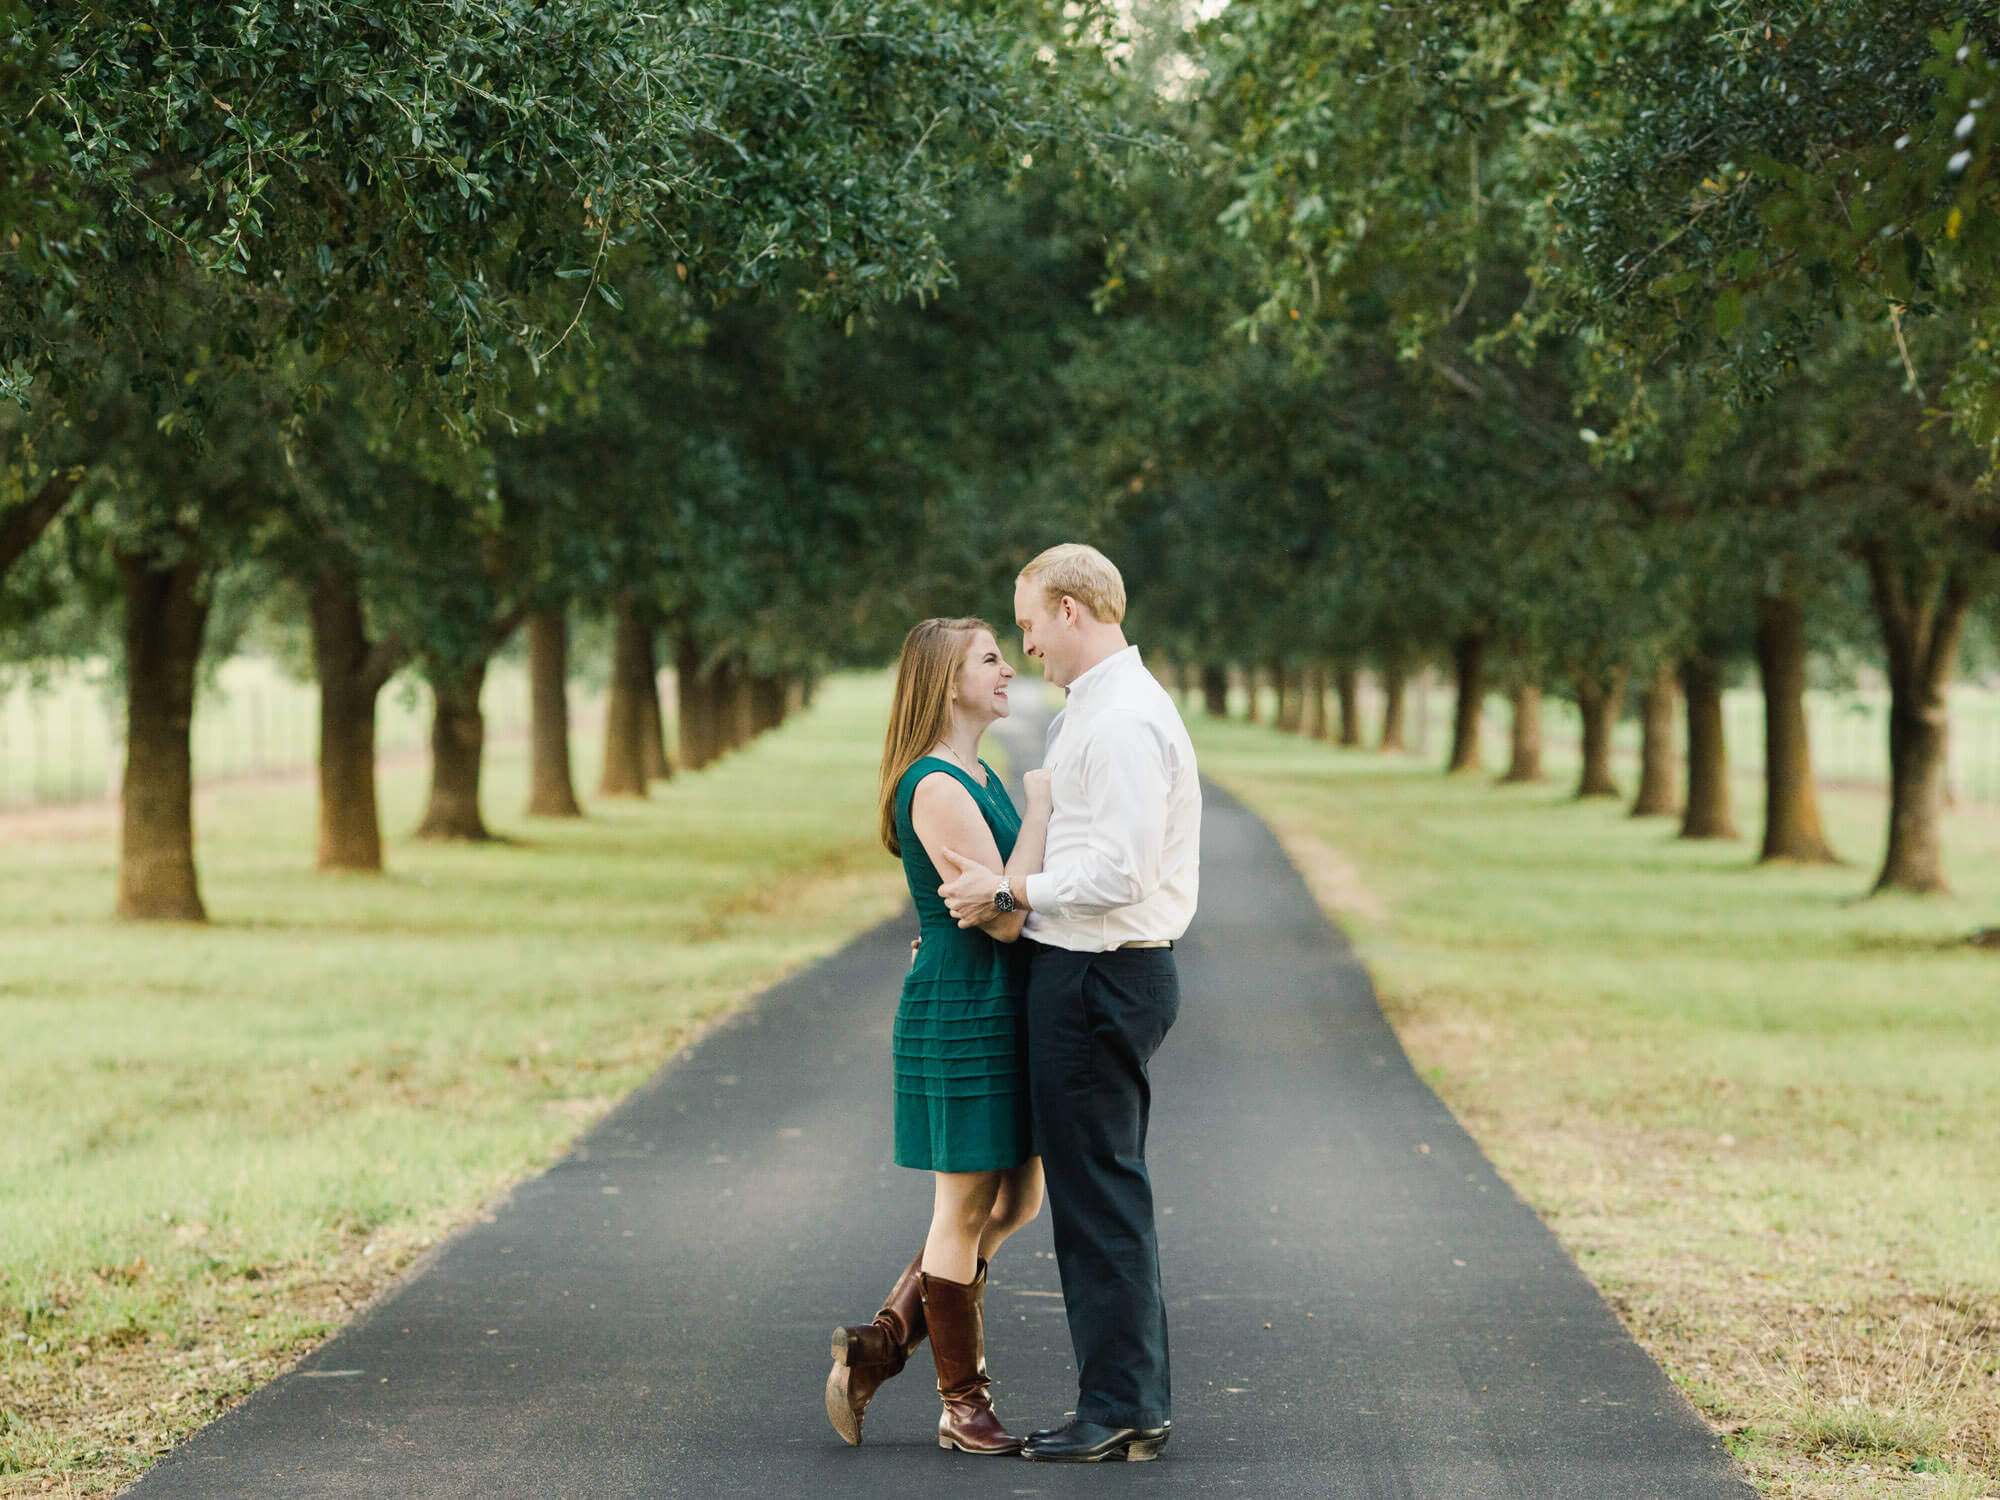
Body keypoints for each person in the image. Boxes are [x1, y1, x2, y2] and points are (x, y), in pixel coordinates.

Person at [938, 543, 1200, 1464]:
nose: (1026, 644)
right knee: (1096, 1195)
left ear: (1074, 611)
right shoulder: (1095, 709)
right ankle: (1127, 1401)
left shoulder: (1123, 719)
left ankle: (1122, 1406)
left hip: (1100, 974)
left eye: (1030, 622)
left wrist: (1014, 894)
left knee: (1099, 1200)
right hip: (1085, 973)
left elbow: (1120, 870)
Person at [825, 617, 1051, 1456]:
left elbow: (1004, 893)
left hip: (1003, 1007)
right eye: (990, 659)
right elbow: (1002, 919)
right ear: (947, 682)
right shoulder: (936, 786)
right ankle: (963, 1404)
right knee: (961, 1209)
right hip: (964, 1011)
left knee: (1017, 1201)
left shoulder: (973, 772)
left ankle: (881, 1345)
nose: (1008, 669)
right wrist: (1041, 808)